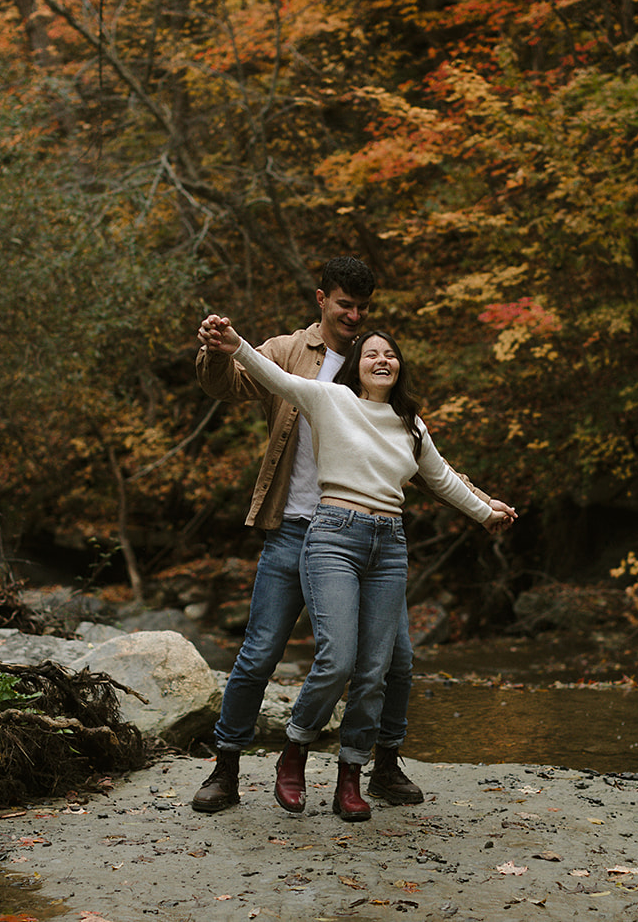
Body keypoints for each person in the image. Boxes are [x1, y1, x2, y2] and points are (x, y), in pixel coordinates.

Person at [191, 257, 502, 817]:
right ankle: (227, 767)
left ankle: (377, 764)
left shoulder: (374, 370)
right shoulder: (292, 354)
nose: (354, 317)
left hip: (377, 537)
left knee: (396, 661)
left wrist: (484, 508)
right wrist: (220, 347)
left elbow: (428, 464)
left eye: (363, 309)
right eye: (344, 305)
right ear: (321, 300)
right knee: (262, 652)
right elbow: (236, 384)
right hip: (299, 527)